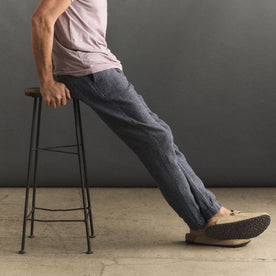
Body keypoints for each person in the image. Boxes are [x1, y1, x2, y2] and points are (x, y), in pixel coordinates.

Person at [30, 0, 270, 247]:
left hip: (97, 68)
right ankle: (204, 221)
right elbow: (41, 19)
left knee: (161, 136)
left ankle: (211, 215)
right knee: (156, 138)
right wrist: (46, 80)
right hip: (89, 71)